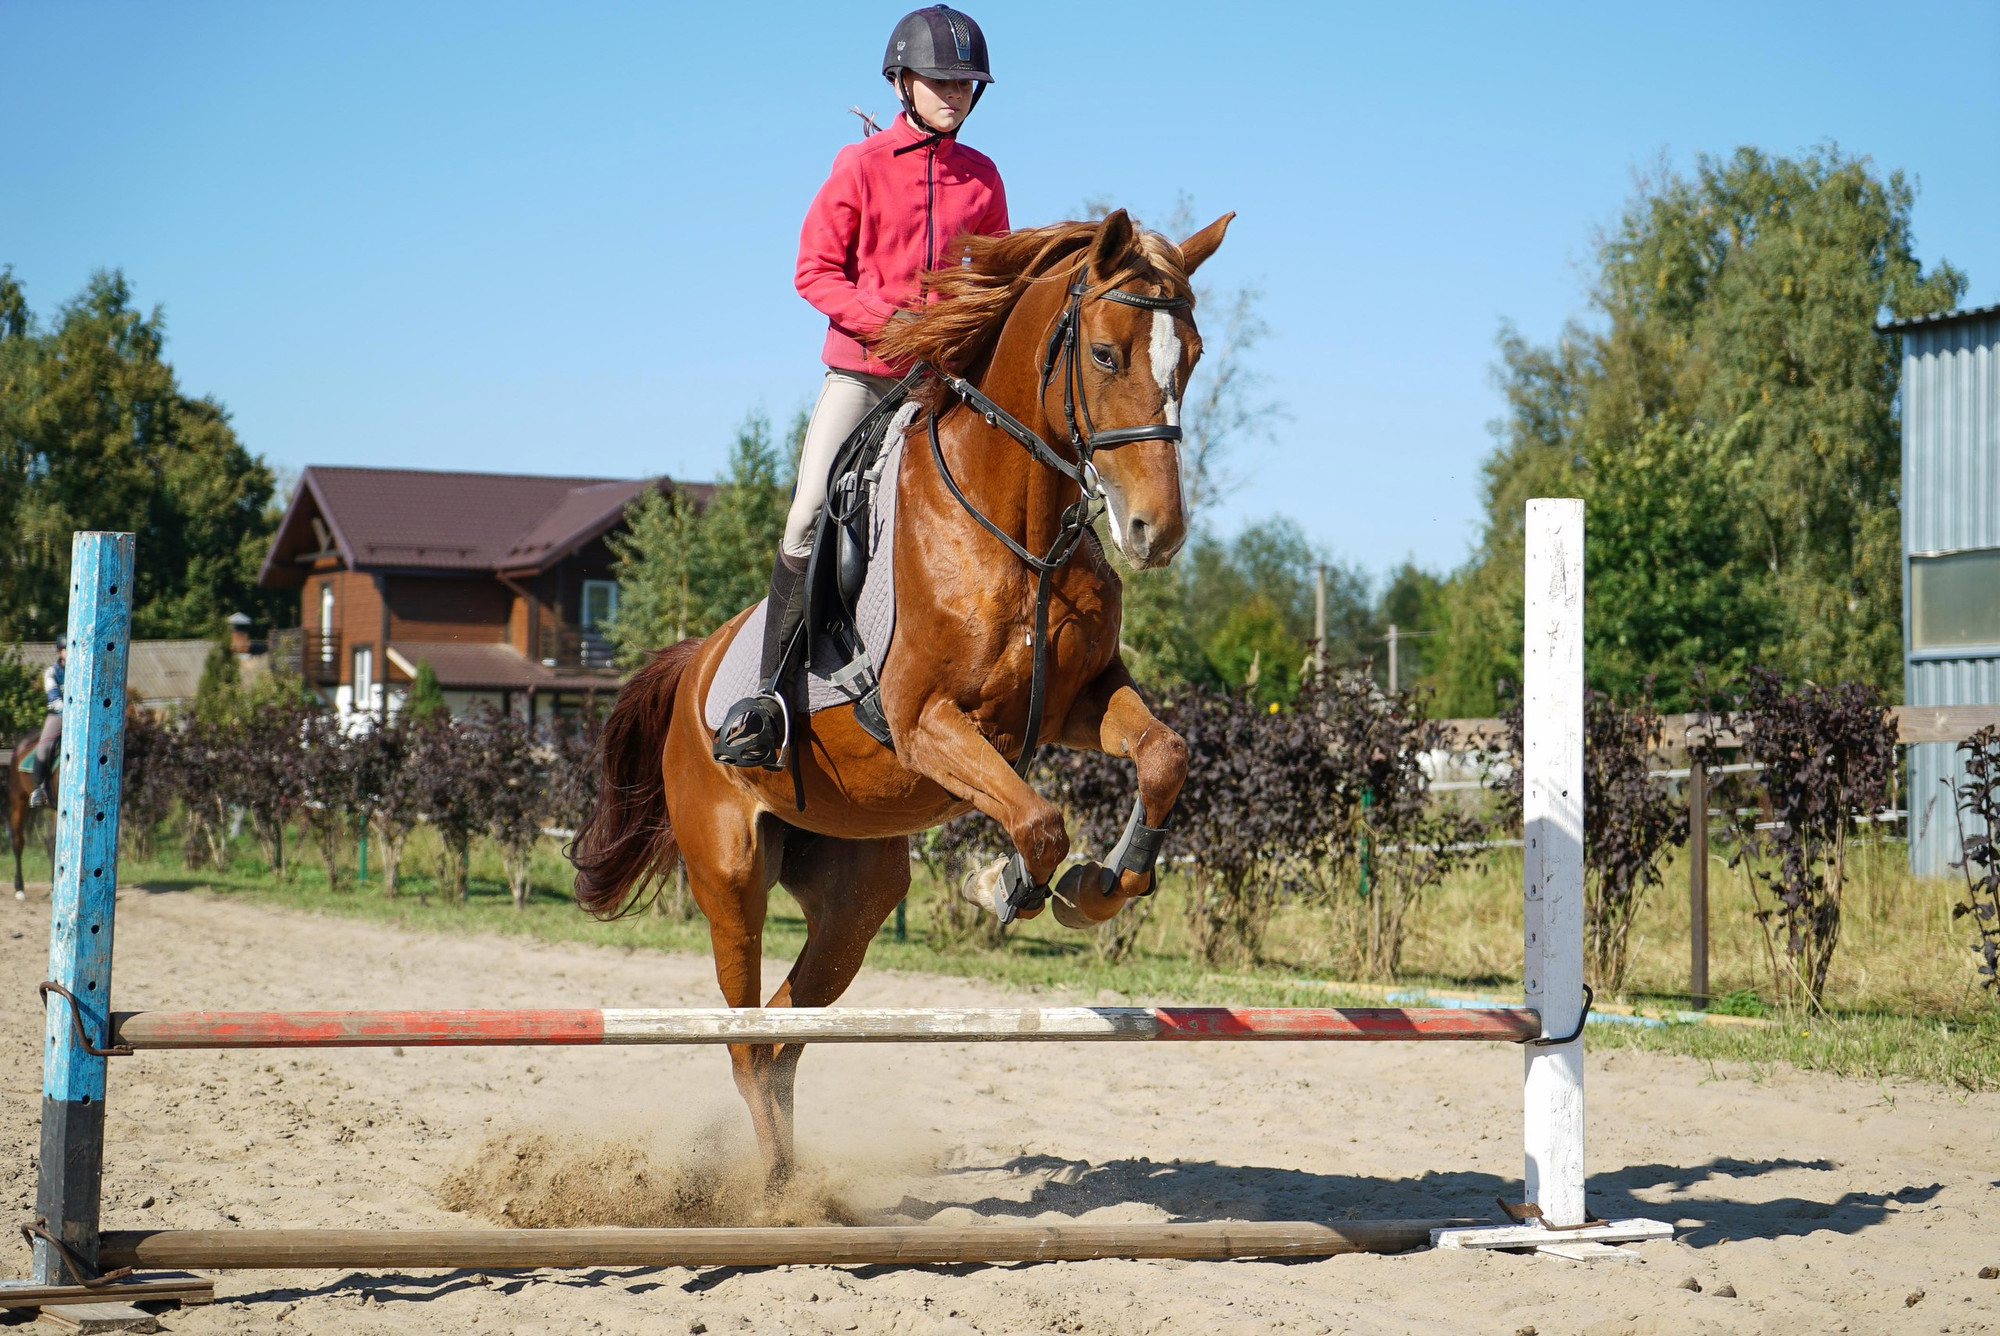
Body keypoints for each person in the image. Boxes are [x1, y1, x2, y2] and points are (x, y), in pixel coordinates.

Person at [712, 5, 1009, 769]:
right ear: (902, 81)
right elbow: (814, 271)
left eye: (967, 83)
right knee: (809, 512)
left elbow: (998, 285)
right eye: (941, 80)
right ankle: (767, 699)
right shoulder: (860, 166)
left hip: (942, 390)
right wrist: (893, 326)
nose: (955, 93)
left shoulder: (984, 178)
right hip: (865, 376)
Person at [29, 634, 64, 809]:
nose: (70, 653)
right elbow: (54, 699)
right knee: (44, 747)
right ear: (59, 652)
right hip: (59, 715)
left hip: (82, 718)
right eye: (66, 650)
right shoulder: (51, 673)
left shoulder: (81, 670)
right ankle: (38, 790)